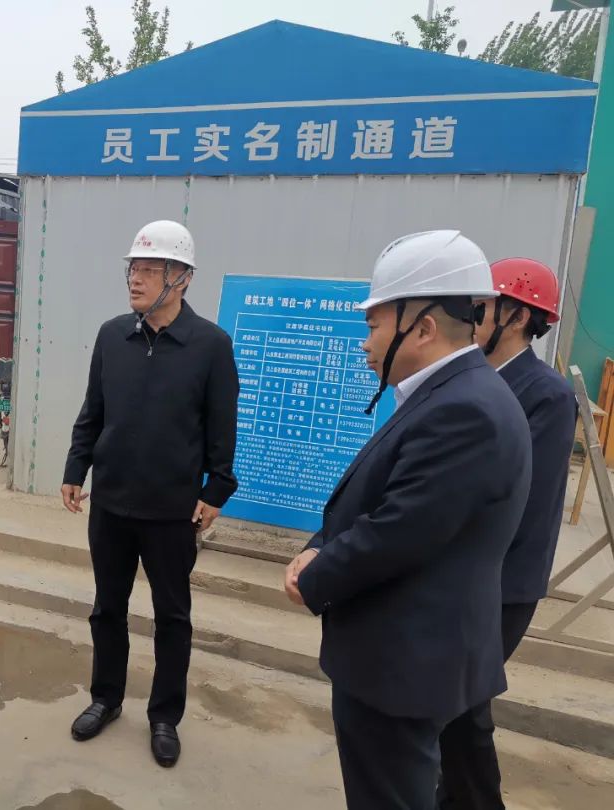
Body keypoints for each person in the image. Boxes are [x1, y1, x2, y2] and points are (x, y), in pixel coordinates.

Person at [284, 230, 532, 810]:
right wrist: (322, 543)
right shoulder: (453, 394)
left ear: (421, 328)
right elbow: (388, 499)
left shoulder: (464, 410)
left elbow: (399, 530)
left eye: (374, 325)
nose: (365, 342)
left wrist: (315, 575)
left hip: (402, 666)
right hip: (413, 655)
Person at [62, 220, 239, 768]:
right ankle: (106, 698)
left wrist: (216, 490)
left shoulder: (210, 345)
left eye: (148, 270)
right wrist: (76, 468)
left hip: (172, 511)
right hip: (111, 504)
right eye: (132, 269)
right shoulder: (112, 336)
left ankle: (165, 716)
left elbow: (223, 428)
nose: (134, 280)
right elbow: (93, 411)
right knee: (107, 608)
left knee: (172, 617)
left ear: (181, 278)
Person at [437, 257, 577, 810]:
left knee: (463, 703)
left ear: (518, 317)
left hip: (501, 582)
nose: (471, 317)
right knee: (451, 702)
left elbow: (521, 499)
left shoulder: (547, 395)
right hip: (459, 571)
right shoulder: (470, 377)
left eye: (483, 308)